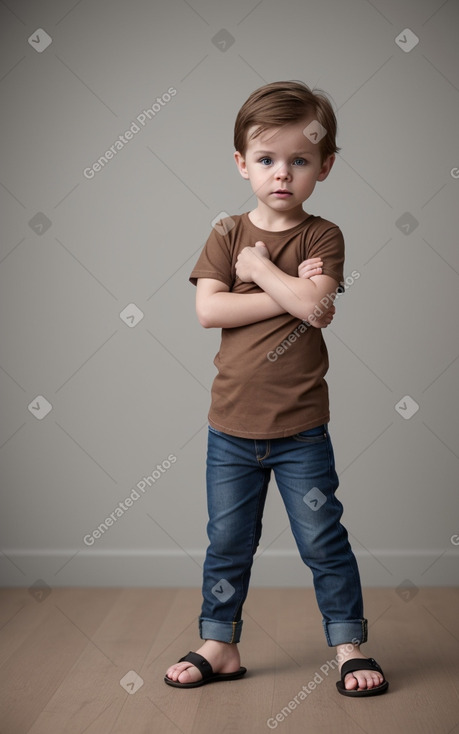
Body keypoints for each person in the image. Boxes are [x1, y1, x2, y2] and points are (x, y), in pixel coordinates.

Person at [164, 81, 388, 697]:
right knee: (229, 540)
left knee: (323, 538)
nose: (281, 174)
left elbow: (317, 313)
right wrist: (293, 294)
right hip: (231, 428)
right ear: (241, 163)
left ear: (325, 165)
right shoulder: (226, 231)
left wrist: (259, 272)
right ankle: (221, 641)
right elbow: (210, 312)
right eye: (265, 160)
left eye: (299, 160)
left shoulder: (323, 236)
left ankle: (348, 645)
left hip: (301, 431)